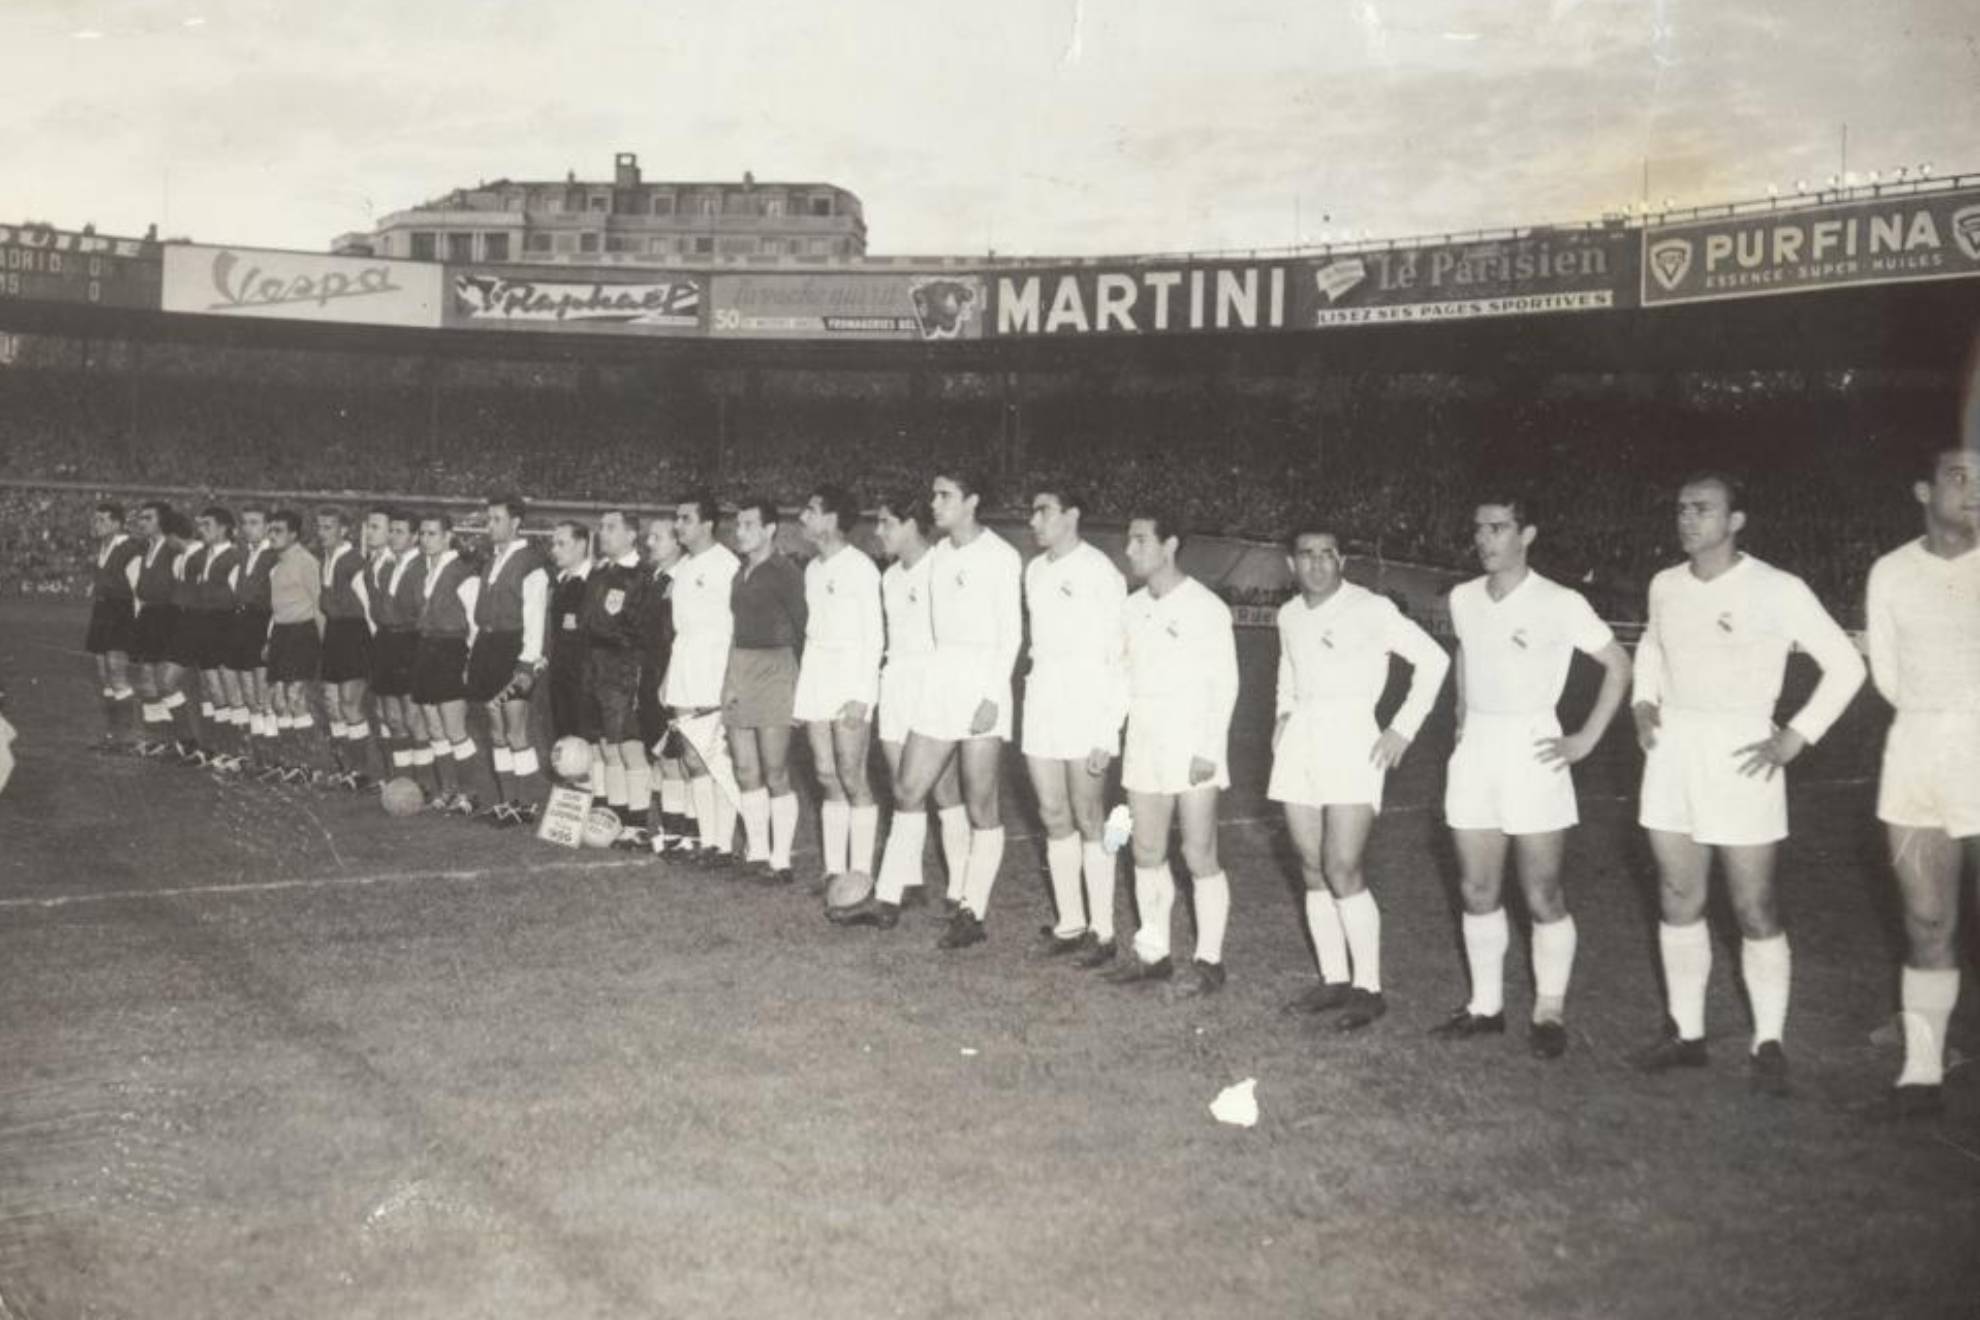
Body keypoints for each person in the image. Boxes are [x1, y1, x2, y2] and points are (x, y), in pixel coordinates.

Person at [1630, 472, 1865, 1094]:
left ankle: (1768, 1041)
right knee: (1679, 896)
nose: (1687, 519)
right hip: (1674, 748)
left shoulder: (1777, 588)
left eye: (1703, 509)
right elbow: (1652, 647)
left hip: (1743, 754)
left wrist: (1797, 734)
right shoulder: (1665, 584)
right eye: (1681, 508)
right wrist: (1643, 702)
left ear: (1736, 521)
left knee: (1753, 905)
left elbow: (1846, 664)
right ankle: (1686, 1034)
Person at [1440, 494, 1631, 1058]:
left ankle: (1549, 1009)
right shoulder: (1462, 597)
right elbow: (1466, 657)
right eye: (1479, 528)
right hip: (1477, 746)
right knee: (1476, 887)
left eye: (1498, 528)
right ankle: (1485, 1006)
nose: (1485, 539)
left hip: (1533, 747)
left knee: (1542, 890)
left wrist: (1585, 740)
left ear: (1527, 535)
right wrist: (1458, 723)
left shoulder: (1560, 601)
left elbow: (1618, 666)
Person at [1272, 524, 1450, 1030]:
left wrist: (1402, 728)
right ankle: (1333, 979)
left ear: (1342, 561)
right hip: (1301, 740)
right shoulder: (1288, 614)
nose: (1317, 564)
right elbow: (1287, 669)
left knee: (1341, 865)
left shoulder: (1372, 608)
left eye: (1327, 554)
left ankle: (1368, 987)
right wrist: (1282, 716)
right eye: (1306, 555)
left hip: (1353, 740)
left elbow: (1434, 661)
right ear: (1291, 564)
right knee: (1309, 865)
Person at [1865, 439, 1980, 1119]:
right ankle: (1923, 1065)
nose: (1972, 490)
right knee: (1927, 916)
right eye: (1958, 477)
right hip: (1914, 752)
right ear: (1922, 490)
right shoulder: (1889, 573)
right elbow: (1886, 673)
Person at [863, 471, 1023, 949]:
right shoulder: (938, 558)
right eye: (933, 496)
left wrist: (992, 696)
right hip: (940, 678)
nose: (935, 504)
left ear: (972, 501)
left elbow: (1010, 633)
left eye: (945, 496)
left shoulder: (1000, 556)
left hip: (982, 685)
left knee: (980, 804)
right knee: (909, 786)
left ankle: (971, 910)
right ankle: (888, 896)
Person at [1104, 510, 1240, 997]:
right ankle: (1153, 953)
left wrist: (1208, 748)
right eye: (1129, 540)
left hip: (1192, 741)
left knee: (1198, 851)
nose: (1130, 550)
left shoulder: (1206, 608)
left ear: (1170, 545)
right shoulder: (1131, 607)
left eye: (1140, 541)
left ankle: (1209, 960)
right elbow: (1119, 678)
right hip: (1144, 737)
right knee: (1145, 849)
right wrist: (1108, 735)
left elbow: (1224, 685)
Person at [831, 491, 971, 927]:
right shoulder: (890, 577)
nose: (879, 531)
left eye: (888, 522)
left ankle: (903, 894)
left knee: (919, 790)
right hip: (897, 684)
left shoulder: (943, 568)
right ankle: (913, 883)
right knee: (912, 787)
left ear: (912, 525)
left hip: (934, 683)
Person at [1020, 487, 1129, 964]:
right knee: (1051, 813)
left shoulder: (1101, 572)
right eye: (1033, 512)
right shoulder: (1035, 570)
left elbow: (1118, 658)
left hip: (1087, 706)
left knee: (1090, 818)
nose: (1033, 521)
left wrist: (1109, 729)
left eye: (1043, 512)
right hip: (1043, 701)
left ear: (1072, 515)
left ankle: (1103, 933)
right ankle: (1070, 923)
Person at [794, 485, 883, 892]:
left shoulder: (861, 567)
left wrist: (862, 695)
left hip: (850, 679)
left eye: (810, 510)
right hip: (817, 677)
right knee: (825, 772)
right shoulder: (812, 569)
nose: (802, 518)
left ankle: (861, 872)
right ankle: (834, 870)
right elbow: (812, 636)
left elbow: (874, 637)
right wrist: (803, 693)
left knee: (852, 773)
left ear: (831, 519)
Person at [723, 496, 808, 883]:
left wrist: (802, 687)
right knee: (745, 768)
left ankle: (781, 860)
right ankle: (757, 851)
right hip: (741, 668)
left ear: (770, 529)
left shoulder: (786, 572)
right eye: (738, 526)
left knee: (775, 770)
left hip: (776, 669)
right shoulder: (739, 573)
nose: (739, 532)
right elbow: (734, 632)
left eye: (748, 525)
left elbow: (804, 627)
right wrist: (729, 680)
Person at [664, 493, 743, 861]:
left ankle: (724, 845)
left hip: (713, 665)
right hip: (684, 665)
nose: (678, 525)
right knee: (692, 758)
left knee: (715, 757)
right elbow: (680, 629)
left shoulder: (725, 564)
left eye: (686, 518)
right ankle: (707, 841)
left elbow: (733, 627)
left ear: (707, 524)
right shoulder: (684, 566)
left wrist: (729, 677)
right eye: (677, 518)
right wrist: (669, 675)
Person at [467, 495, 549, 824]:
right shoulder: (492, 560)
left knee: (516, 730)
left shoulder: (531, 563)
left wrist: (527, 663)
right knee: (495, 730)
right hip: (488, 647)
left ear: (515, 523)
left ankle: (527, 804)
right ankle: (507, 801)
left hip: (514, 649)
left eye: (496, 519)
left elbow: (535, 616)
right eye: (488, 519)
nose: (490, 526)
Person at [410, 512, 492, 814]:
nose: (425, 539)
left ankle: (469, 794)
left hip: (452, 649)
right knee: (433, 727)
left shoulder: (462, 571)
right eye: (422, 533)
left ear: (447, 537)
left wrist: (470, 660)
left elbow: (476, 622)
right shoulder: (425, 571)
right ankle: (447, 789)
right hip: (427, 649)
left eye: (432, 533)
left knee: (454, 727)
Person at [580, 509, 652, 847]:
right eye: (601, 527)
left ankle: (637, 824)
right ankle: (614, 815)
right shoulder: (599, 573)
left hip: (623, 669)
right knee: (605, 747)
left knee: (628, 747)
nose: (603, 533)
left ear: (631, 535)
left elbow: (639, 631)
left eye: (611, 528)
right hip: (594, 668)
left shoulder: (642, 576)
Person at [363, 509, 434, 795]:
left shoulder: (423, 567)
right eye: (390, 531)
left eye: (400, 531)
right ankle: (403, 782)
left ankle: (425, 783)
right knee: (392, 717)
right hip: (386, 642)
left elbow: (424, 612)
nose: (392, 536)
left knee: (413, 715)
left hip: (411, 642)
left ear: (415, 537)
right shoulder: (388, 566)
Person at [637, 515, 694, 848]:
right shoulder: (655, 579)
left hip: (674, 676)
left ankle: (687, 831)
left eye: (657, 537)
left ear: (677, 542)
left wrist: (670, 679)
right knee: (661, 757)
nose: (649, 543)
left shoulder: (684, 580)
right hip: (652, 674)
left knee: (678, 758)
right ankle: (674, 828)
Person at [315, 507, 376, 789]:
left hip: (355, 634)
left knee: (351, 703)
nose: (322, 532)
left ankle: (360, 771)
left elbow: (368, 608)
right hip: (334, 634)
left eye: (329, 527)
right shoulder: (323, 560)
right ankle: (344, 768)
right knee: (331, 703)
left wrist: (376, 645)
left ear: (343, 531)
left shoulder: (354, 562)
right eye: (320, 527)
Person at [263, 510, 324, 784]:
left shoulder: (306, 562)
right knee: (278, 700)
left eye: (277, 530)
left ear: (293, 534)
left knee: (296, 698)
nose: (271, 535)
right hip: (281, 634)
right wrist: (269, 639)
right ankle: (291, 763)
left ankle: (309, 765)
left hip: (303, 633)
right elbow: (276, 608)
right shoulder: (276, 565)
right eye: (270, 530)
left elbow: (319, 604)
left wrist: (325, 644)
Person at [544, 519, 600, 790]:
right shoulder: (561, 583)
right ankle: (571, 801)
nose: (554, 549)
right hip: (561, 672)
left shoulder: (596, 581)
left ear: (581, 545)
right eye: (553, 543)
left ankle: (592, 795)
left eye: (561, 543)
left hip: (586, 675)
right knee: (563, 736)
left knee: (586, 737)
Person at [83, 501, 142, 751]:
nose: (97, 525)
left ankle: (126, 737)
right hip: (103, 614)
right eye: (95, 520)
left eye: (103, 521)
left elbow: (138, 590)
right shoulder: (103, 548)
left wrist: (140, 626)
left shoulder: (130, 549)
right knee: (104, 675)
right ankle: (111, 733)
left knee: (117, 674)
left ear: (118, 524)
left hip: (121, 615)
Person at [127, 502, 184, 756]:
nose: (142, 522)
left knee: (164, 682)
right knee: (146, 682)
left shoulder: (173, 549)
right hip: (148, 616)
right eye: (140, 518)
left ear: (162, 521)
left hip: (168, 617)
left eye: (148, 518)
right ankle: (159, 739)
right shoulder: (146, 548)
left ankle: (185, 738)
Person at [191, 507, 244, 770]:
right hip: (204, 628)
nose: (202, 530)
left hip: (225, 629)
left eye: (207, 525)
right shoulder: (203, 557)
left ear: (223, 528)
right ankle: (212, 748)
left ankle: (235, 750)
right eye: (200, 525)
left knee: (226, 689)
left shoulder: (234, 558)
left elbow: (240, 600)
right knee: (208, 689)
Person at [226, 507, 279, 773]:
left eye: (255, 523)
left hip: (262, 624)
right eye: (245, 523)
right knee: (248, 693)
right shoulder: (244, 553)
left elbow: (276, 602)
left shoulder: (273, 556)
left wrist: (270, 636)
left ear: (268, 526)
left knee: (263, 693)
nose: (249, 528)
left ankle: (270, 756)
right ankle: (254, 755)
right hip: (243, 624)